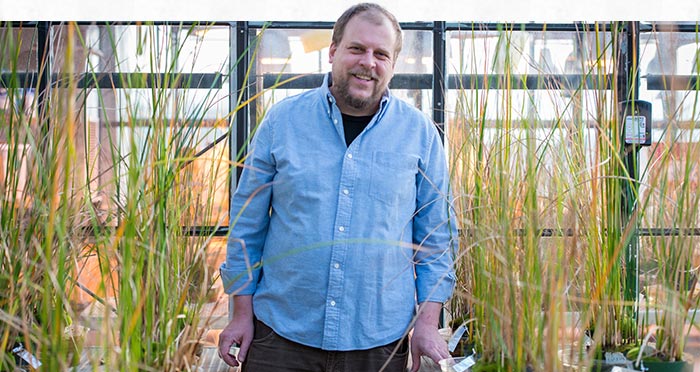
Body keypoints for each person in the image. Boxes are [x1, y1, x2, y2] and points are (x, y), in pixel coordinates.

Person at [218, 3, 457, 371]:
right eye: (357, 48)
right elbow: (247, 226)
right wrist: (240, 313)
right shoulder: (282, 121)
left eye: (381, 54)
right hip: (280, 339)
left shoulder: (421, 134)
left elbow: (435, 241)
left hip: (379, 344)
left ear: (393, 63)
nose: (368, 62)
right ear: (333, 52)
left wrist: (427, 324)